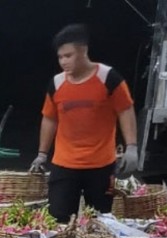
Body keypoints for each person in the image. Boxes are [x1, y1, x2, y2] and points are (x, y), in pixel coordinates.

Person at [29, 24, 138, 223]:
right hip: (64, 164)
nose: (63, 62)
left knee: (98, 222)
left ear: (84, 51)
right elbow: (49, 118)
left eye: (68, 56)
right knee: (58, 220)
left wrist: (132, 147)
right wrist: (42, 154)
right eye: (60, 57)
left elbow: (125, 110)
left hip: (101, 165)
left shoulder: (109, 78)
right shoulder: (56, 83)